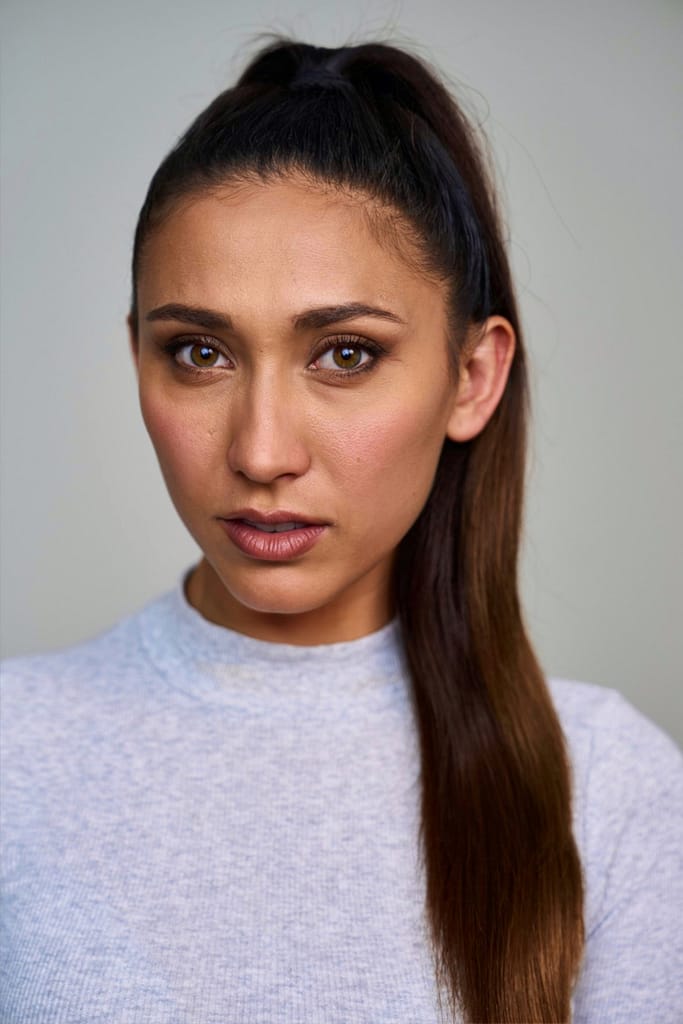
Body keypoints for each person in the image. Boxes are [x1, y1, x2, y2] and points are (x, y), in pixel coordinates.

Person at [1, 38, 681, 1024]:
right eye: (198, 351)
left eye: (345, 354)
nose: (262, 450)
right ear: (136, 353)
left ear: (470, 377)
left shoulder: (613, 792)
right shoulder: (15, 753)